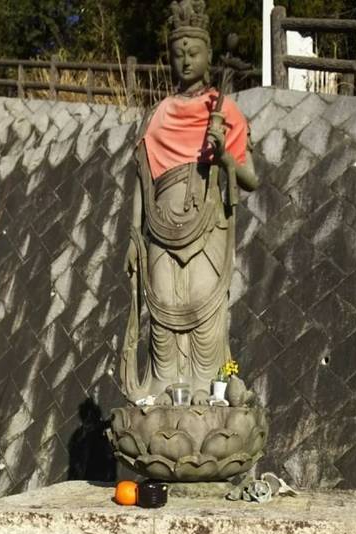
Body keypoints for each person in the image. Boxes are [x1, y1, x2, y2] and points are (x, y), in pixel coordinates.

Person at [120, 0, 258, 404]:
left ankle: (209, 396)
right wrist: (133, 237)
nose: (185, 60)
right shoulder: (156, 116)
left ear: (209, 56)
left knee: (203, 310)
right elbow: (141, 182)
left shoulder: (225, 112)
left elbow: (252, 178)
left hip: (207, 227)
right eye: (178, 52)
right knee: (161, 311)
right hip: (159, 231)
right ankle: (164, 394)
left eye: (193, 52)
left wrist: (226, 157)